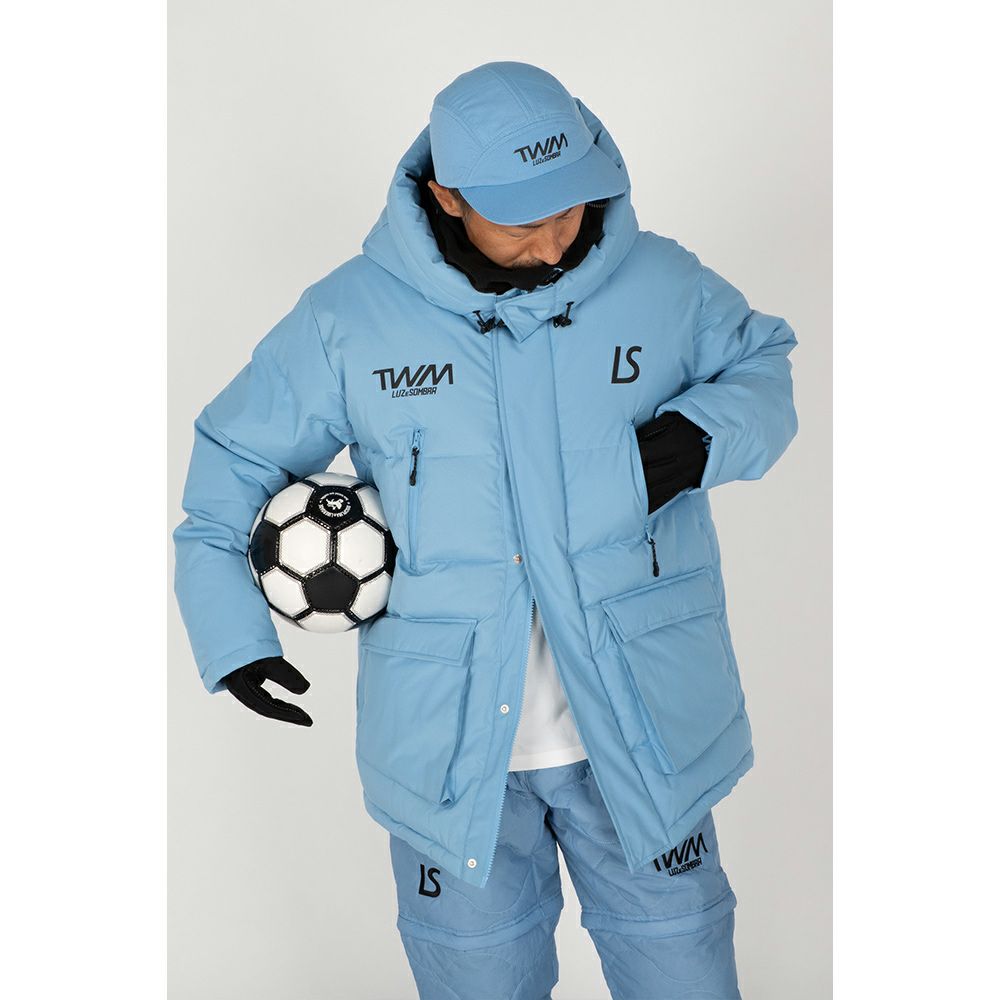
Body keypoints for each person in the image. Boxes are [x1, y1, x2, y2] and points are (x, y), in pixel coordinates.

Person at [173, 60, 798, 999]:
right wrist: (233, 638)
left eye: (569, 207)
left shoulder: (662, 283)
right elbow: (229, 465)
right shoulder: (350, 320)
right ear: (448, 196)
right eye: (520, 220)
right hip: (448, 757)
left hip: (644, 737)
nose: (552, 241)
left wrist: (702, 436)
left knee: (685, 974)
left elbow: (765, 365)